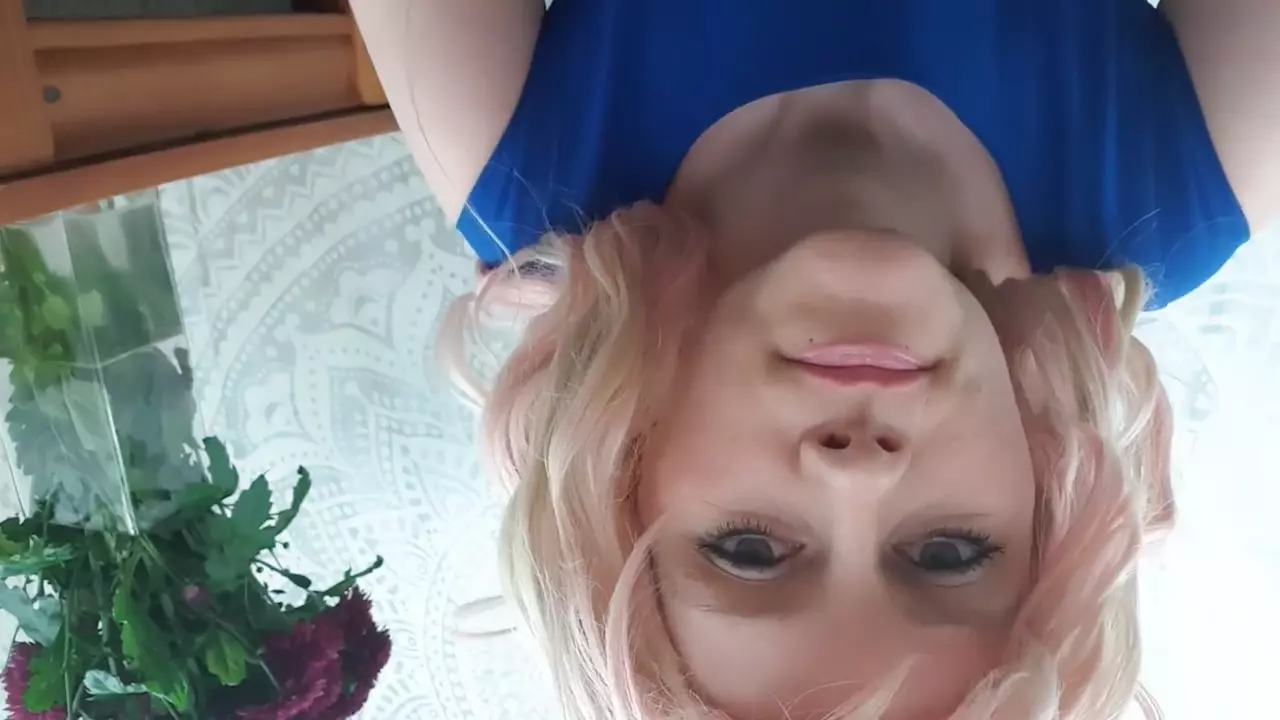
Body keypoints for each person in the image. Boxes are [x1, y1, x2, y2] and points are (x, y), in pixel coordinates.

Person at [350, 1, 1277, 718]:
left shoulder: (516, 153)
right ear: (1045, 500)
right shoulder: (1191, 178)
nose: (857, 475)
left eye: (751, 550)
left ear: (623, 480)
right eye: (947, 554)